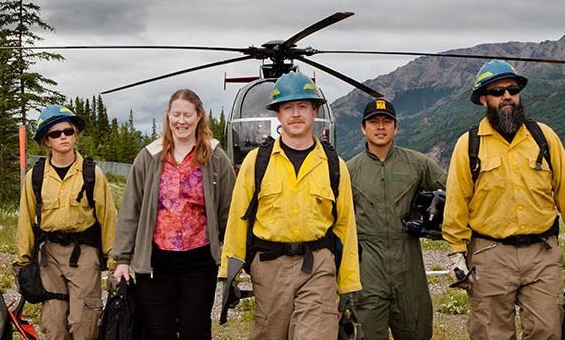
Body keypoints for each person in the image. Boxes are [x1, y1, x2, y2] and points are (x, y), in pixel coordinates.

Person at [442, 60, 565, 339]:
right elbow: (457, 202)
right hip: (490, 255)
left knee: (548, 330)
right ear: (484, 99)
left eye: (512, 89)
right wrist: (455, 250)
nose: (507, 96)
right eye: (497, 92)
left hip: (542, 254)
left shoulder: (544, 137)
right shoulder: (469, 144)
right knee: (492, 333)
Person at [220, 72, 361, 339]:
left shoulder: (335, 166)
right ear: (278, 115)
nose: (295, 114)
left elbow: (345, 227)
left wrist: (348, 283)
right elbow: (238, 221)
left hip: (318, 265)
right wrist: (230, 276)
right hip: (270, 268)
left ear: (314, 111)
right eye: (288, 107)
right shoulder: (255, 162)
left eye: (302, 106)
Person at [112, 89, 236, 340]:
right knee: (158, 331)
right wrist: (123, 259)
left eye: (188, 115)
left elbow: (229, 210)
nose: (182, 121)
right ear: (168, 116)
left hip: (199, 260)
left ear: (199, 117)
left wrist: (234, 256)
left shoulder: (215, 157)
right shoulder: (148, 157)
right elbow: (130, 210)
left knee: (195, 329)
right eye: (176, 114)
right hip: (155, 261)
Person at [15, 104, 118, 340]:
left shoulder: (92, 174)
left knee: (84, 322)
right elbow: (25, 220)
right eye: (55, 133)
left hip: (84, 255)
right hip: (48, 257)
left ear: (75, 135)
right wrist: (22, 263)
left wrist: (115, 262)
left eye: (68, 131)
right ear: (46, 141)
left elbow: (109, 218)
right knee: (54, 324)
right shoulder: (36, 177)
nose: (63, 136)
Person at [346, 98, 445, 340]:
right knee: (367, 334)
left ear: (395, 128)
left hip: (408, 268)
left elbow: (454, 191)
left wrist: (433, 224)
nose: (380, 127)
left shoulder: (417, 163)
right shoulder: (349, 170)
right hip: (368, 270)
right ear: (363, 128)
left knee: (416, 331)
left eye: (386, 121)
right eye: (374, 122)